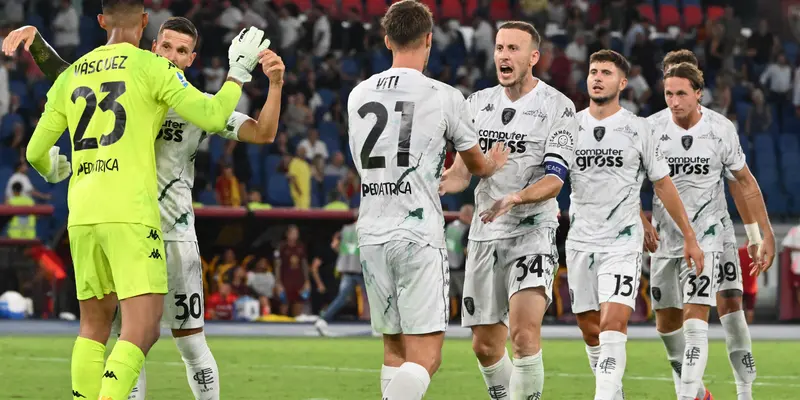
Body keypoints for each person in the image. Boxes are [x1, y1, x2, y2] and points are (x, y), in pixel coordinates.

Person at [6, 15, 282, 400]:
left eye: (181, 51)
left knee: (189, 344)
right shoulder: (136, 82)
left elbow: (263, 132)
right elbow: (71, 75)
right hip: (129, 229)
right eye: (166, 46)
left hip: (175, 238)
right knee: (128, 340)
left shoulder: (198, 105)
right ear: (153, 48)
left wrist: (276, 84)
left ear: (192, 59)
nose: (171, 55)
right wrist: (37, 43)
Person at [347, 1, 507, 398]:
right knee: (427, 356)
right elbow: (474, 164)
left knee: (394, 349)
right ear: (429, 40)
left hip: (371, 230)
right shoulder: (445, 96)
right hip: (417, 233)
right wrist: (492, 164)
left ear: (387, 40)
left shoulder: (357, 94)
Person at [441, 21, 579, 400]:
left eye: (513, 49)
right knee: (485, 347)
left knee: (523, 334)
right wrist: (433, 185)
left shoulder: (557, 106)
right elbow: (458, 176)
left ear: (533, 57)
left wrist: (516, 198)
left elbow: (556, 180)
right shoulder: (476, 103)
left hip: (532, 230)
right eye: (500, 47)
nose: (503, 55)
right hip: (485, 232)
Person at [562, 49, 703, 400]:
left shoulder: (638, 128)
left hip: (622, 243)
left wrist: (689, 236)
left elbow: (663, 183)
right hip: (580, 240)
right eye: (593, 71)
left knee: (613, 325)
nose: (597, 77)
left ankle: (604, 396)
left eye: (606, 72)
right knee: (590, 328)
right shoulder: (569, 125)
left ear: (622, 82)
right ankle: (614, 391)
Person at [646, 49, 775, 400]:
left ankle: (739, 392)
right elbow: (634, 181)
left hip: (711, 236)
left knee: (726, 309)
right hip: (666, 241)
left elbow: (742, 182)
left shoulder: (720, 129)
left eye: (681, 92)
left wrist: (759, 235)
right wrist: (639, 219)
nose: (673, 100)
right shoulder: (651, 129)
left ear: (698, 90)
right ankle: (699, 391)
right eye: (668, 92)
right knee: (666, 324)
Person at [315, 208, 364, 336]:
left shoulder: (345, 229)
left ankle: (323, 320)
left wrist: (344, 255)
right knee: (376, 298)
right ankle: (380, 327)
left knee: (342, 298)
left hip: (347, 268)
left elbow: (334, 245)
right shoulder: (366, 229)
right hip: (360, 269)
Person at [445, 204, 472, 318]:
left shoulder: (450, 226)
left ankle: (452, 317)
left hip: (448, 266)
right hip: (462, 267)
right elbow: (466, 249)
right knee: (465, 294)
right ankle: (463, 317)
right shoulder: (467, 228)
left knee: (451, 294)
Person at [738, 241, 757, 323]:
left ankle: (739, 327)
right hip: (751, 287)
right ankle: (749, 327)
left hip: (739, 285)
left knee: (738, 309)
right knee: (750, 309)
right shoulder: (756, 254)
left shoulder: (739, 251)